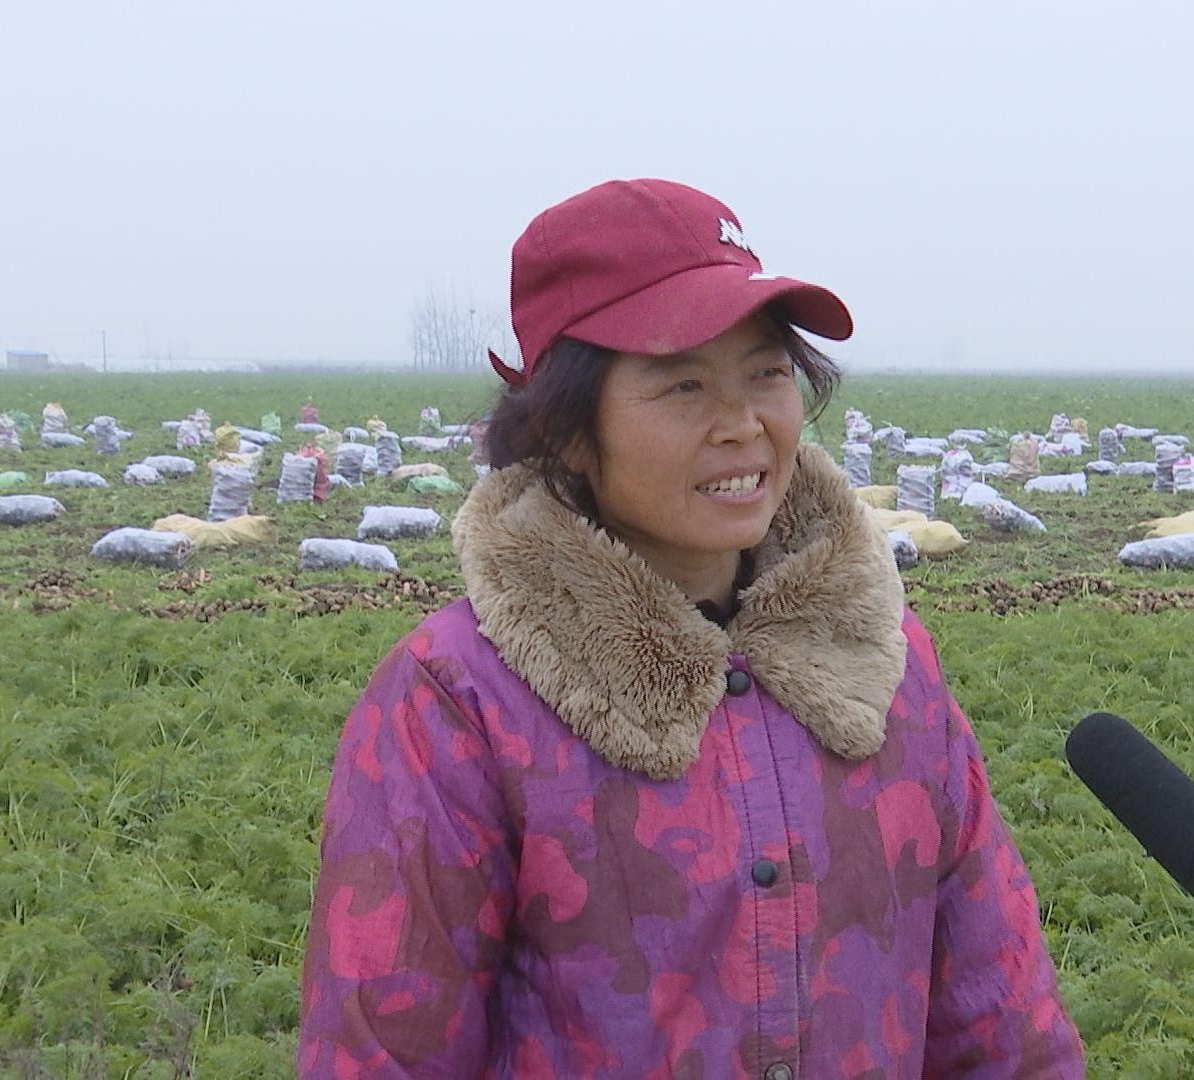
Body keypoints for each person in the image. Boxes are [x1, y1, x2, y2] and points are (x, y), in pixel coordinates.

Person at [297, 178, 1085, 1077]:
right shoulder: (460, 703)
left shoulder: (887, 669)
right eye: (682, 384)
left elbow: (1000, 1021)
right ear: (565, 428)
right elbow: (381, 1053)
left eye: (768, 373)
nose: (744, 424)